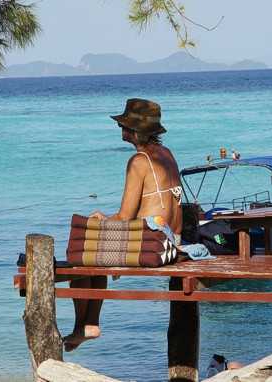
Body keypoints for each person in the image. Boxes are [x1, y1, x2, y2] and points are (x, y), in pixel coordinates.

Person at [63, 98, 183, 351]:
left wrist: (103, 219)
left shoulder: (139, 161)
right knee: (94, 255)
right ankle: (89, 324)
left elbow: (125, 217)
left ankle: (84, 325)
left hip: (149, 243)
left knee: (80, 257)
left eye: (124, 125)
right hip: (172, 241)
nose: (120, 129)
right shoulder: (166, 154)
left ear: (135, 131)